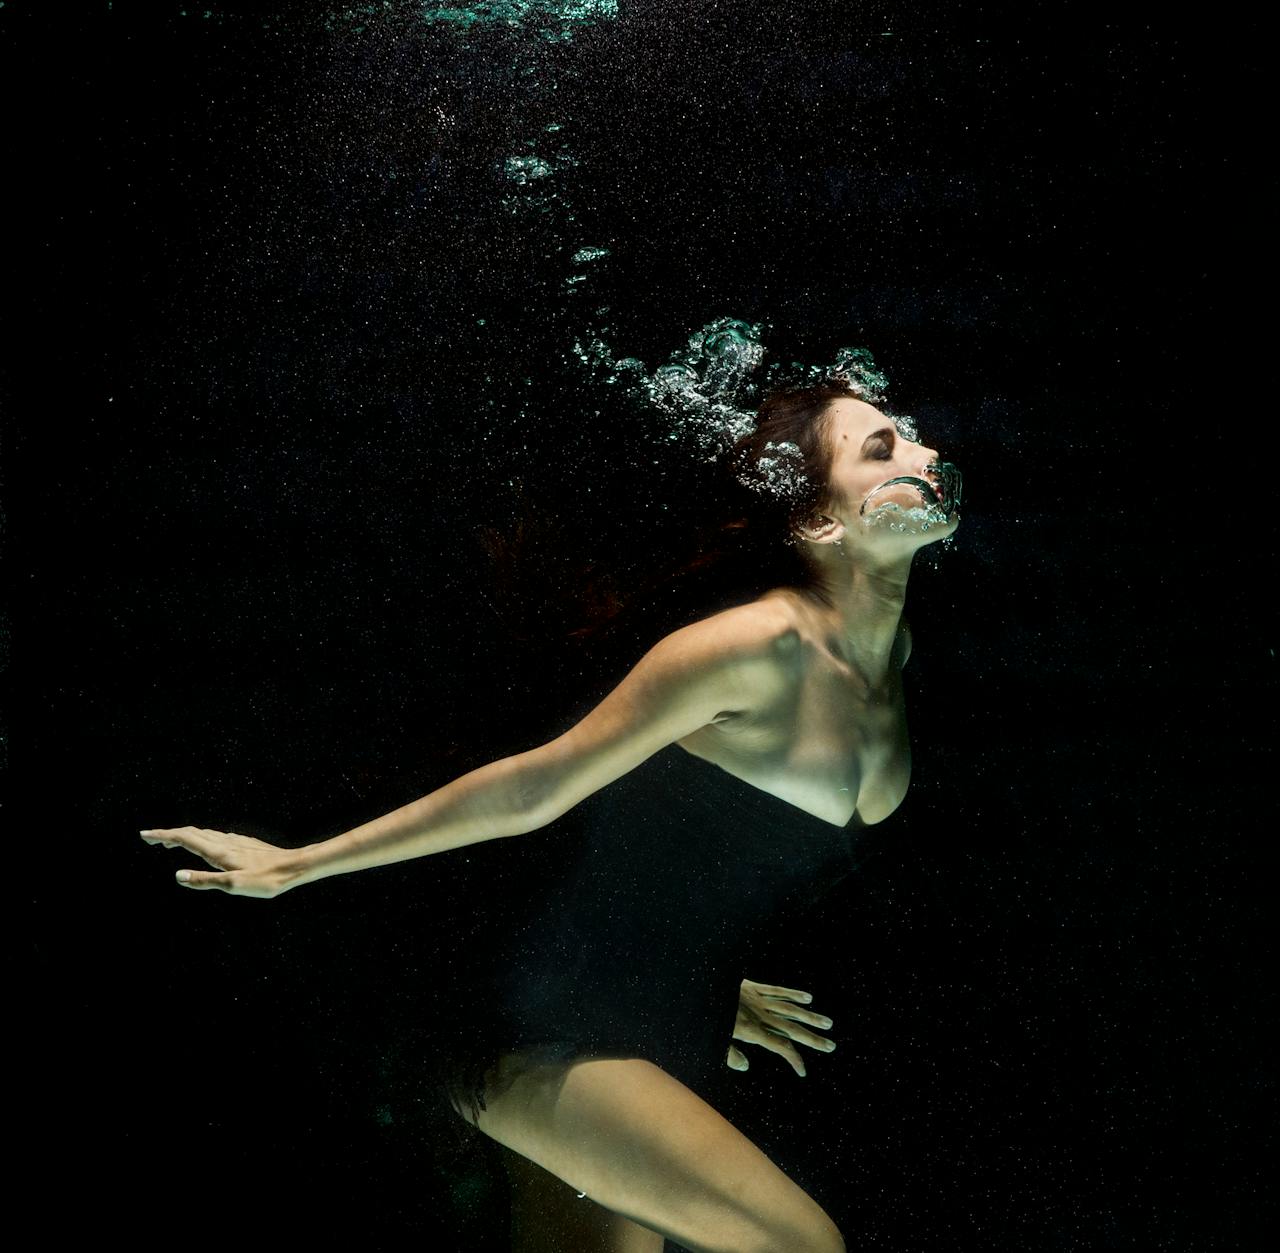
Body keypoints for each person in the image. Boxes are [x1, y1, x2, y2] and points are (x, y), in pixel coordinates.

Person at [140, 379, 964, 1253]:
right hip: (537, 1018)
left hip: (660, 1010)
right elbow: (536, 787)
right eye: (880, 448)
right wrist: (300, 861)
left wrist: (682, 955)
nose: (924, 456)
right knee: (801, 1244)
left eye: (910, 439)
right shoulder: (756, 647)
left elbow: (685, 838)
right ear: (817, 520)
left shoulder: (890, 658)